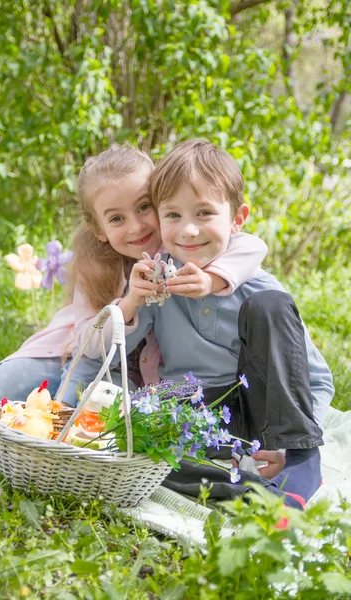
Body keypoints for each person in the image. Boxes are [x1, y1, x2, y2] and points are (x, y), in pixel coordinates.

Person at [74, 139, 335, 509]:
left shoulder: (257, 285)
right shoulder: (158, 280)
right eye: (173, 216)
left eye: (205, 214)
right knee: (126, 436)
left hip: (260, 410)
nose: (189, 231)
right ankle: (245, 490)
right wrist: (132, 300)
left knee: (270, 305)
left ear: (238, 218)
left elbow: (317, 380)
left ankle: (301, 460)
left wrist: (292, 433)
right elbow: (99, 350)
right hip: (191, 406)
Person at [0, 144, 267, 422]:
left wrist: (211, 281)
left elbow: (251, 246)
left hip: (129, 379)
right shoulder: (96, 263)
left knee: (110, 424)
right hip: (67, 358)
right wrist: (130, 304)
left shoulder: (182, 245)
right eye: (116, 218)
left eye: (145, 207)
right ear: (99, 228)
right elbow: (88, 348)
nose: (136, 226)